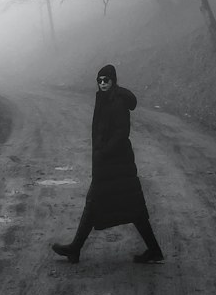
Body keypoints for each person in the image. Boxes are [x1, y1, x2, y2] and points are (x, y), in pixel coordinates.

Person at [51, 63, 165, 265]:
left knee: (100, 203)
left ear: (113, 81)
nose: (103, 84)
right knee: (130, 208)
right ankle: (153, 250)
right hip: (111, 165)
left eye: (107, 80)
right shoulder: (104, 99)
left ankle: (75, 249)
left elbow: (122, 132)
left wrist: (103, 152)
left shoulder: (117, 101)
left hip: (116, 164)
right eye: (100, 80)